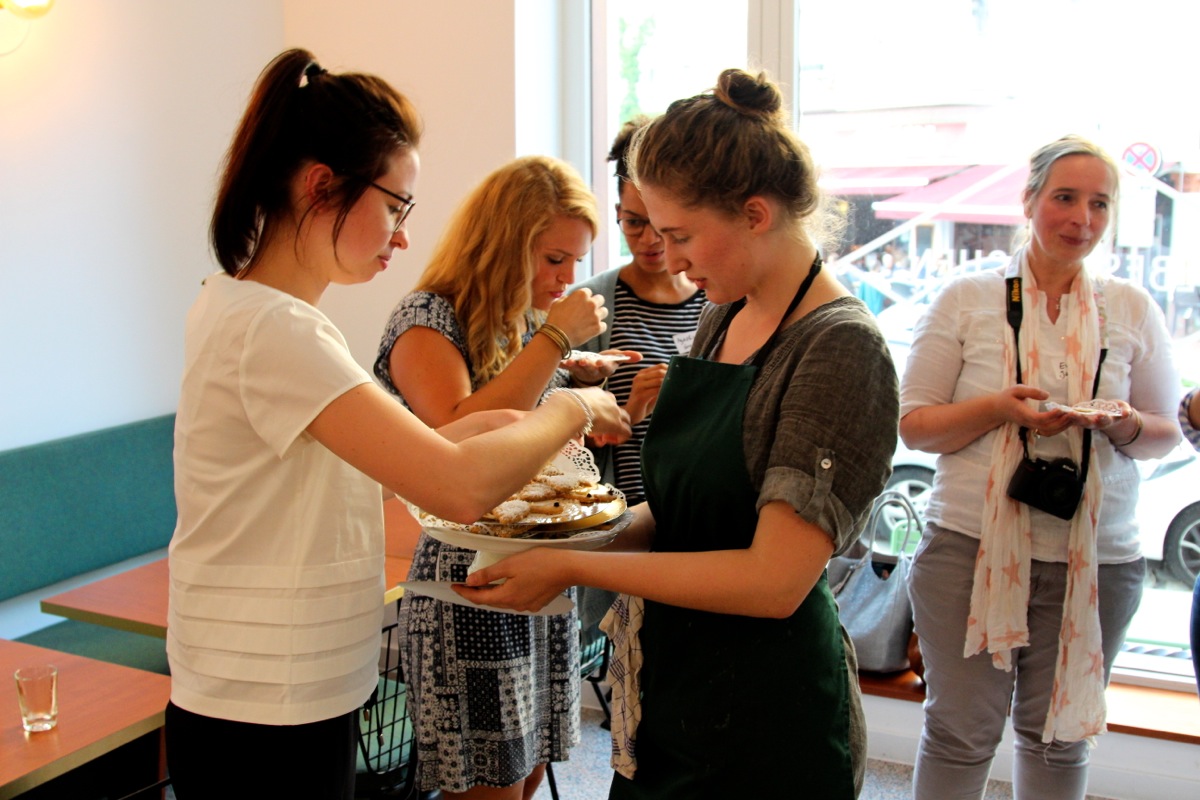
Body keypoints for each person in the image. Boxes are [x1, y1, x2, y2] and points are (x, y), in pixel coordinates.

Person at [166, 50, 628, 800]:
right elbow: (454, 487)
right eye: (395, 206)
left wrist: (496, 425)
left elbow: (385, 462)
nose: (403, 236)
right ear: (322, 186)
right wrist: (570, 408)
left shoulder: (257, 312)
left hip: (281, 691)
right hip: (264, 703)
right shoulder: (277, 329)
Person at [456, 68, 900, 799]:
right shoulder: (724, 314)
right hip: (674, 681)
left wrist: (572, 567)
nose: (672, 258)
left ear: (755, 214)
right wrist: (561, 542)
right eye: (656, 234)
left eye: (681, 235)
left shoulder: (839, 349)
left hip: (767, 711)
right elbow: (683, 516)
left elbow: (772, 580)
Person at [898, 135, 1182, 800]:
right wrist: (999, 408)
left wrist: (1122, 422)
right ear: (1028, 201)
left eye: (1099, 204)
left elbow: (1165, 432)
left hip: (1098, 557)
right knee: (960, 734)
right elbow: (914, 425)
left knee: (1059, 738)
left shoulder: (1131, 307)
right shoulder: (967, 298)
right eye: (1065, 198)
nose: (1082, 218)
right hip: (968, 546)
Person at [374, 155, 630, 799]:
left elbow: (522, 426)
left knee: (530, 769)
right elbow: (461, 433)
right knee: (491, 784)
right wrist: (556, 345)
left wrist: (572, 380)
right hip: (467, 580)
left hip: (535, 566)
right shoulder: (426, 318)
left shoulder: (517, 319)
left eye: (576, 261)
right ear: (502, 245)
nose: (567, 278)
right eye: (554, 259)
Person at [571, 117, 708, 631]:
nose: (650, 240)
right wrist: (628, 412)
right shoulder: (592, 303)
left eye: (661, 225)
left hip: (696, 523)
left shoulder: (718, 301)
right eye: (632, 223)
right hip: (621, 526)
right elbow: (561, 440)